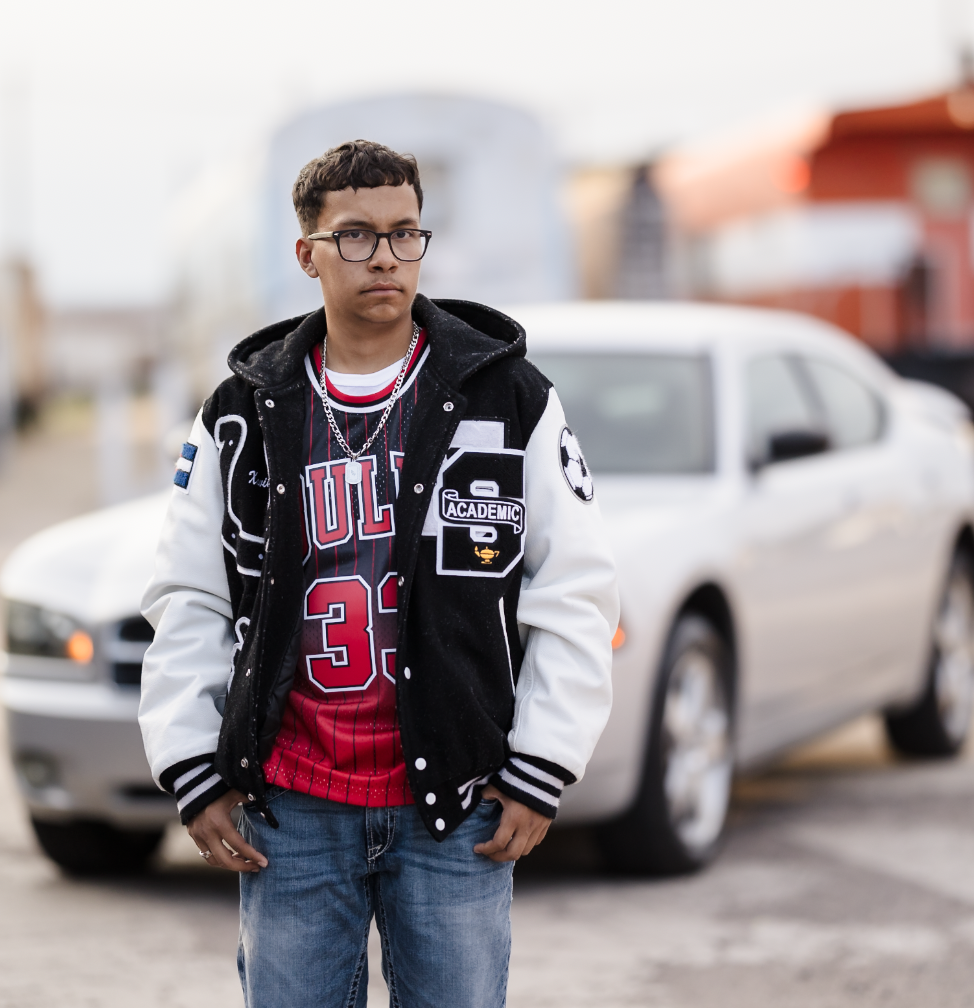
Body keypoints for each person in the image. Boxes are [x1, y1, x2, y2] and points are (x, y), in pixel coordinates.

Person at [138, 139, 618, 1008]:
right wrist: (189, 761)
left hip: (456, 801)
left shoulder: (504, 398)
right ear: (307, 253)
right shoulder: (245, 410)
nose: (387, 257)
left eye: (405, 234)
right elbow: (189, 592)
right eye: (355, 236)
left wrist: (542, 761)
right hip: (292, 804)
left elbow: (575, 587)